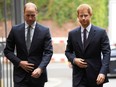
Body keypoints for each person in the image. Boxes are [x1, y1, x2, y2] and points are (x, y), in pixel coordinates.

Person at [4, 2, 53, 87]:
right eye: (27, 15)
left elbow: (48, 52)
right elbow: (7, 51)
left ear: (36, 13)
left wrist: (40, 68)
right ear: (24, 14)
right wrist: (19, 62)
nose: (30, 18)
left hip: (38, 76)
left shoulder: (45, 31)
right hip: (20, 77)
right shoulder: (15, 30)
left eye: (33, 15)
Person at [65, 4, 111, 87]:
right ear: (78, 17)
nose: (83, 18)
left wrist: (103, 72)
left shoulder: (101, 33)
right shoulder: (72, 34)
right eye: (81, 16)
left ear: (90, 15)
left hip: (96, 76)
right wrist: (74, 60)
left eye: (85, 15)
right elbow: (68, 51)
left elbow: (106, 53)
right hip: (78, 77)